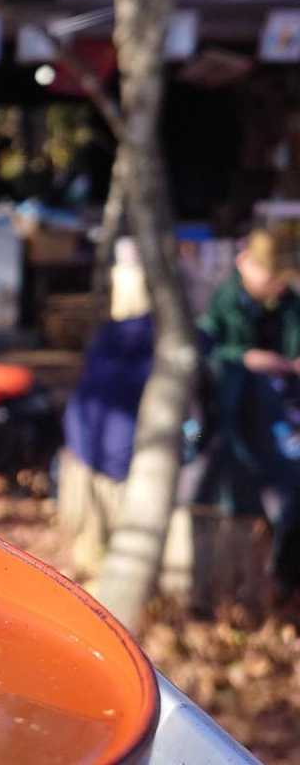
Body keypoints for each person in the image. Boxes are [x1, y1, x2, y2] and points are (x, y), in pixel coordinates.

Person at [188, 228, 300, 589]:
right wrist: (243, 358)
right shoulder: (220, 300)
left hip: (283, 403)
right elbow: (204, 353)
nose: (277, 284)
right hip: (233, 413)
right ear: (244, 262)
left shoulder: (288, 303)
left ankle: (284, 577)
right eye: (271, 275)